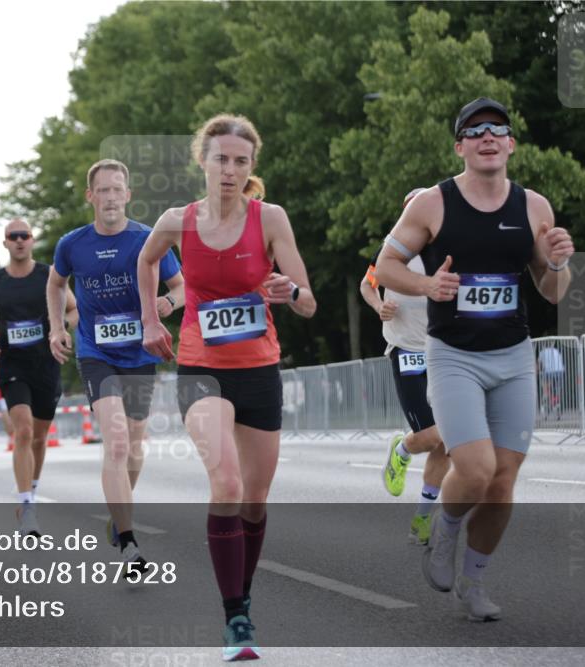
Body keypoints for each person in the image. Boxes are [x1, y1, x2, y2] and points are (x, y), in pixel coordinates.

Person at [375, 97, 575, 621]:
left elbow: (552, 291)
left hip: (512, 356)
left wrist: (556, 262)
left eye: (498, 129)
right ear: (460, 144)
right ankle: (445, 529)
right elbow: (385, 266)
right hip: (454, 356)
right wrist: (426, 284)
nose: (488, 137)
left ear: (510, 143)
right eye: (475, 130)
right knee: (477, 467)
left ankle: (475, 584)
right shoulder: (432, 205)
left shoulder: (534, 207)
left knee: (504, 480)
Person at [139, 114, 316, 660]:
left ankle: (242, 593)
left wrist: (291, 292)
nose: (230, 170)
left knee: (255, 502)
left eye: (241, 161)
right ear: (203, 161)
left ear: (251, 167)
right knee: (227, 482)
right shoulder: (177, 220)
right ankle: (236, 616)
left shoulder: (271, 219)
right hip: (201, 367)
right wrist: (151, 321)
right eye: (221, 159)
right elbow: (145, 262)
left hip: (259, 368)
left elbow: (307, 300)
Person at [48, 159, 185, 571]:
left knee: (135, 449)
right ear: (91, 196)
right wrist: (57, 327)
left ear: (128, 195)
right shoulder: (73, 244)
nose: (110, 197)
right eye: (102, 190)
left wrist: (168, 303)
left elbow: (181, 286)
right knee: (117, 441)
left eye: (117, 189)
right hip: (97, 353)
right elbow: (56, 283)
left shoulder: (148, 239)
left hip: (141, 353)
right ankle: (129, 544)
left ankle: (118, 512)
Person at [360, 188, 450, 545]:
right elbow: (367, 285)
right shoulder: (392, 250)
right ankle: (401, 451)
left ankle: (422, 519)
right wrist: (377, 305)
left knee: (447, 442)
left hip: (442, 350)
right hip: (406, 350)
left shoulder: (446, 252)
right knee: (431, 436)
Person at [0, 218, 78, 535]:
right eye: (13, 236)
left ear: (32, 240)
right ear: (5, 242)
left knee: (38, 436)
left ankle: (31, 491)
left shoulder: (49, 275)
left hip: (46, 363)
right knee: (22, 431)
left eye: (25, 236)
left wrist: (63, 331)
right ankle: (27, 506)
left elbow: (74, 309)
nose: (20, 240)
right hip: (12, 365)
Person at [537, 345, 565, 420]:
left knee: (546, 390)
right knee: (557, 390)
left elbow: (539, 366)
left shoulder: (542, 352)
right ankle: (556, 404)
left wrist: (538, 372)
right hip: (560, 372)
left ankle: (546, 405)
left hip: (548, 372)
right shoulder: (556, 351)